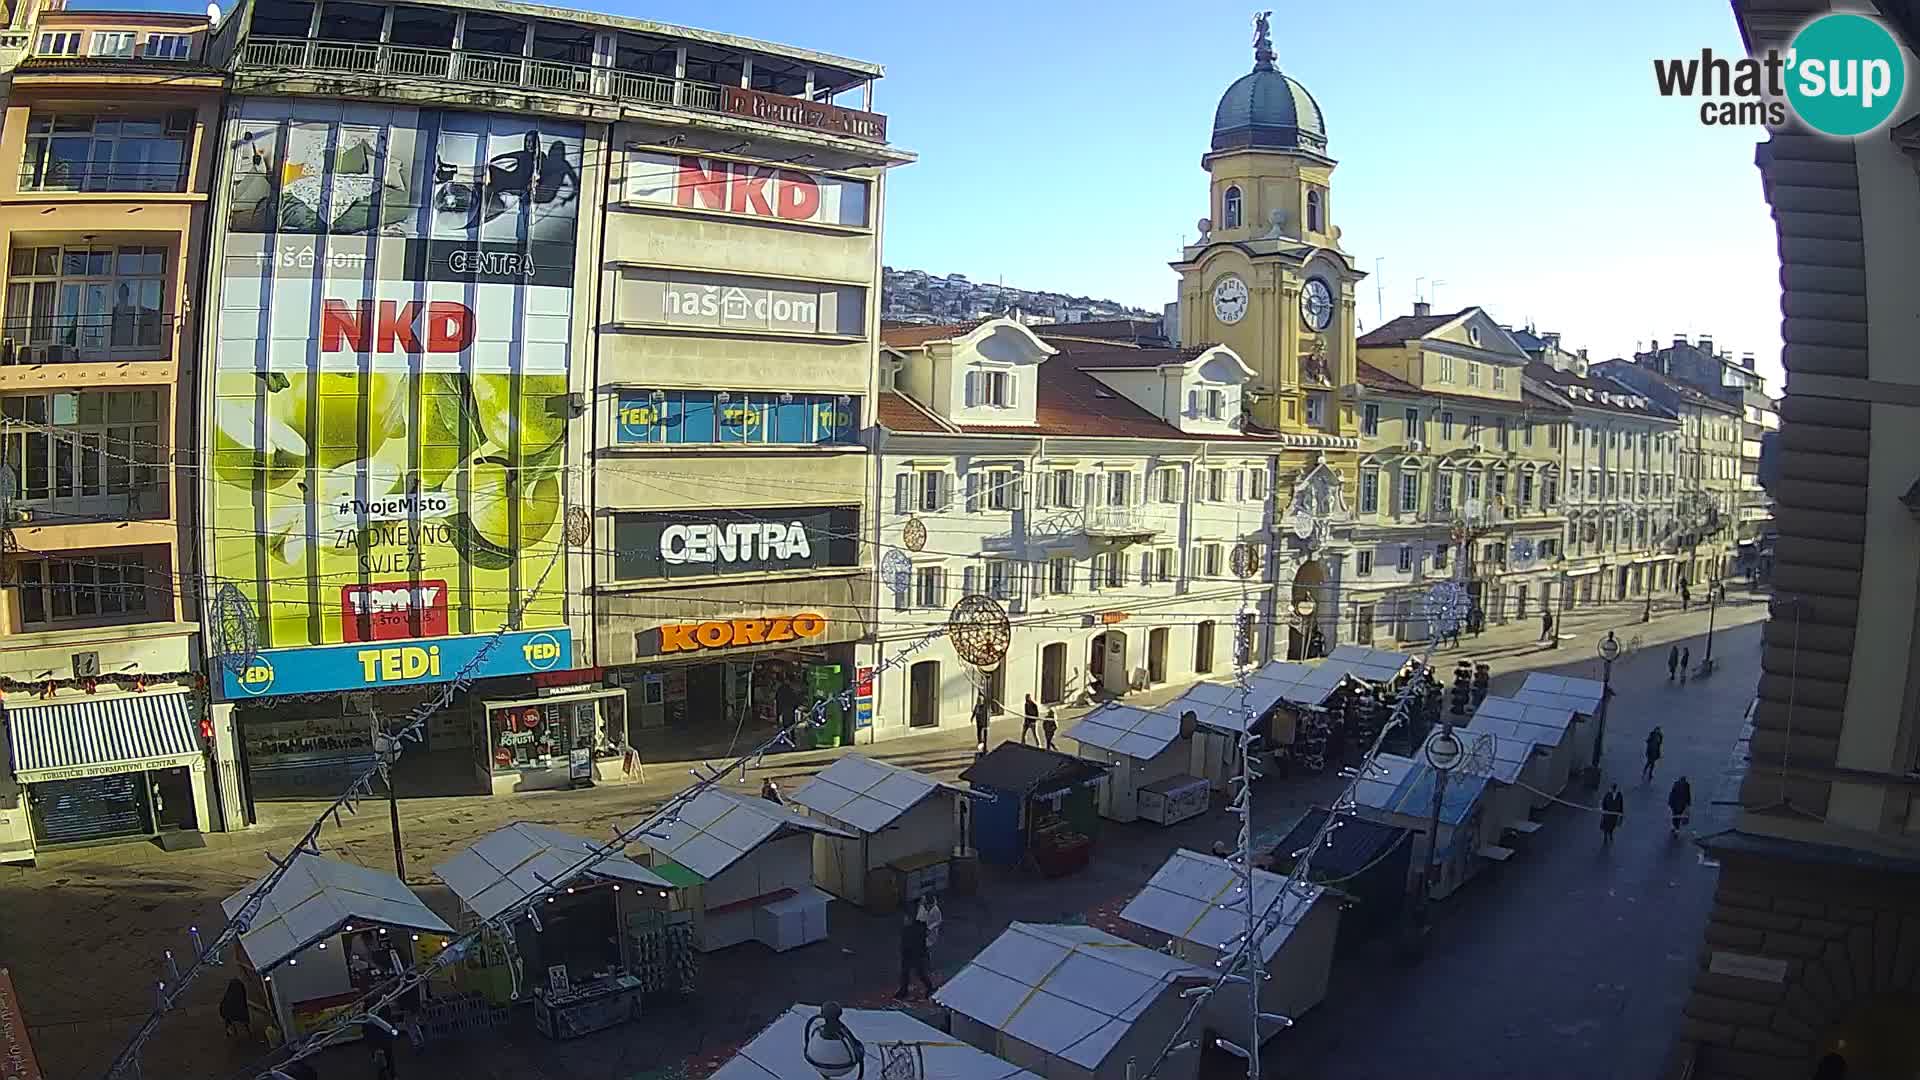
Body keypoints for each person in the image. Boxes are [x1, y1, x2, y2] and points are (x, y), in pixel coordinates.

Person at [895, 909, 934, 999]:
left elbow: (920, 944)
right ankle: (903, 991)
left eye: (906, 919)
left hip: (916, 955)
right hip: (907, 954)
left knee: (920, 973)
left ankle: (929, 988)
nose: (905, 920)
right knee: (905, 973)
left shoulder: (917, 929)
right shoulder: (907, 929)